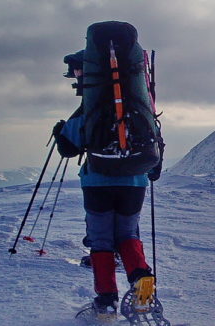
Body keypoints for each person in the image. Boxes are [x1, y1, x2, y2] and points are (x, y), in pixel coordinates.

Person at [54, 46, 162, 322]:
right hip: (134, 183)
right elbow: (155, 153)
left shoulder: (91, 107)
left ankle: (106, 303)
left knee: (101, 240)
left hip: (97, 182)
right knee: (128, 235)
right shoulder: (140, 105)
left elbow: (69, 147)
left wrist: (59, 132)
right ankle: (142, 281)